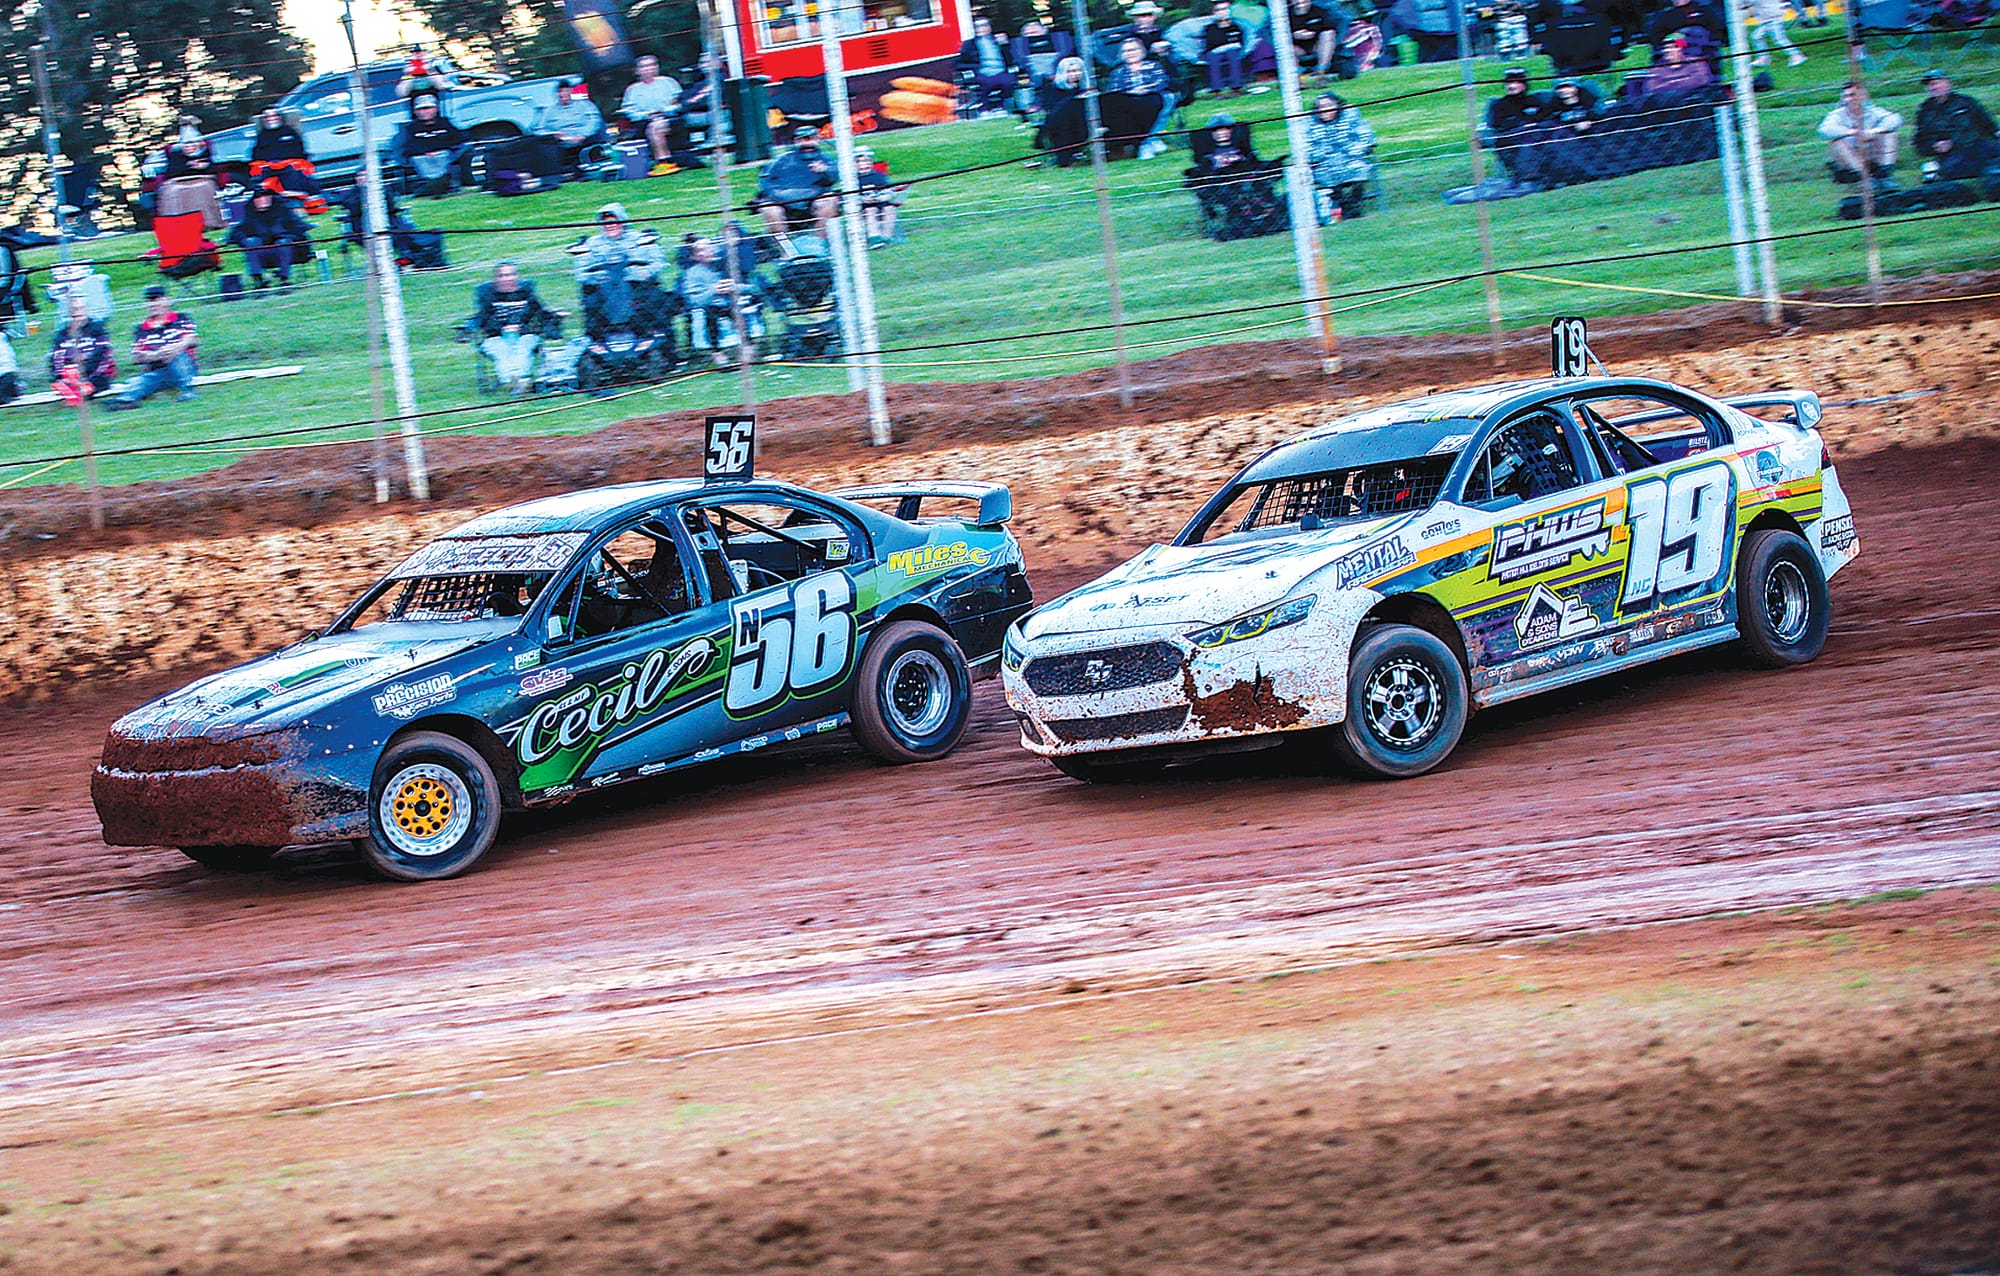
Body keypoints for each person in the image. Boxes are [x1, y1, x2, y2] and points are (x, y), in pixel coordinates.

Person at [573, 203, 674, 343]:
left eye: (614, 222)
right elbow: (580, 273)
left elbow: (659, 262)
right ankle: (598, 340)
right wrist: (596, 277)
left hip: (637, 286)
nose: (610, 226)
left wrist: (643, 272)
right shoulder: (591, 244)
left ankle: (656, 336)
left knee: (654, 298)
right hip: (604, 288)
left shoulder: (641, 239)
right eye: (605, 223)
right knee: (593, 301)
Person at [471, 262, 562, 394]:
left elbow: (542, 313)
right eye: (502, 275)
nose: (507, 279)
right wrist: (502, 329)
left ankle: (521, 379)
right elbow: (482, 318)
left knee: (523, 348)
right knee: (501, 351)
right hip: (496, 337)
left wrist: (554, 318)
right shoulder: (487, 296)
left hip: (526, 335)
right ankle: (510, 380)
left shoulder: (527, 293)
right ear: (496, 279)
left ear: (517, 277)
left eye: (510, 274)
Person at [104, 285, 198, 411]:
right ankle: (126, 400)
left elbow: (192, 338)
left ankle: (187, 389)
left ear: (167, 301)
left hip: (185, 365)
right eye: (150, 301)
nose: (153, 304)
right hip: (158, 368)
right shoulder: (141, 329)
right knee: (142, 379)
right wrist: (157, 355)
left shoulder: (181, 318)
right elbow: (138, 356)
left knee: (177, 357)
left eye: (157, 300)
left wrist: (176, 347)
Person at [677, 235, 762, 364]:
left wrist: (735, 287)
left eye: (710, 247)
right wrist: (713, 290)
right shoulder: (692, 274)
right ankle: (718, 354)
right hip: (709, 307)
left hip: (732, 304)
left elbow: (753, 287)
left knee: (741, 317)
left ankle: (748, 350)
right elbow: (693, 301)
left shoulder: (727, 266)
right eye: (702, 250)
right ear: (694, 256)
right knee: (709, 320)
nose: (709, 251)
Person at [752, 127, 838, 238]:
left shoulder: (826, 160)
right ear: (796, 141)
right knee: (770, 209)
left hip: (813, 201)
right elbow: (765, 181)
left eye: (810, 139)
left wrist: (825, 170)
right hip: (783, 203)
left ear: (817, 140)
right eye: (802, 139)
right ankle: (786, 251)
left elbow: (836, 177)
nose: (806, 143)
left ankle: (820, 244)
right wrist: (778, 196)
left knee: (829, 201)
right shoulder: (780, 160)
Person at [1915, 69, 1999, 181]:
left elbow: (1989, 125)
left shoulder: (1967, 102)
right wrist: (1935, 147)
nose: (1933, 88)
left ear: (1948, 83)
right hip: (1953, 155)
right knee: (1953, 170)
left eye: (1936, 83)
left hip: (1978, 145)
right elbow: (1920, 143)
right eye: (1930, 85)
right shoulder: (1925, 111)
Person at [1104, 36, 1176, 159]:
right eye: (1126, 51)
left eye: (1134, 50)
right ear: (1121, 54)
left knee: (1165, 99)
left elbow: (1161, 82)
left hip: (1153, 97)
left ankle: (1147, 141)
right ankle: (1148, 142)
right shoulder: (1118, 72)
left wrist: (1144, 90)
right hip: (1130, 103)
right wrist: (1133, 92)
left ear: (1142, 51)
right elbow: (1113, 91)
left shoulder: (1153, 65)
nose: (1130, 53)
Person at [1306, 93, 1376, 220]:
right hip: (1323, 162)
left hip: (1349, 157)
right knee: (1325, 175)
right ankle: (1342, 205)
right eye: (1320, 107)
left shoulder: (1351, 117)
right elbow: (1306, 147)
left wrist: (1354, 151)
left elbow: (1366, 136)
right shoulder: (1309, 123)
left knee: (1358, 169)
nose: (1324, 110)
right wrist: (1319, 155)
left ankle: (1354, 204)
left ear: (1337, 106)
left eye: (1328, 105)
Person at [226, 188, 311, 290]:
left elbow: (299, 229)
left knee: (283, 242)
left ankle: (284, 278)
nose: (262, 200)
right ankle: (258, 279)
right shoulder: (250, 215)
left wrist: (283, 235)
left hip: (288, 251)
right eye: (258, 198)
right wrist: (243, 240)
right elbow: (237, 232)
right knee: (251, 242)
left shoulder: (284, 212)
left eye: (265, 197)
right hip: (262, 252)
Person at [1819, 83, 1901, 186]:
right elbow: (1824, 130)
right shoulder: (1837, 115)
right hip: (1850, 160)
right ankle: (1865, 178)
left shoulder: (1874, 111)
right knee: (1836, 142)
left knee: (1890, 135)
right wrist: (1852, 132)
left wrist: (1874, 131)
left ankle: (1885, 174)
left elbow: (1895, 119)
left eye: (1853, 95)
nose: (1849, 99)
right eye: (1846, 96)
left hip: (1872, 154)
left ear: (1863, 97)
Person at [248, 107, 327, 212]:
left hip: (290, 165)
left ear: (279, 117)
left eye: (274, 115)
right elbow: (256, 155)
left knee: (295, 174)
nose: (271, 119)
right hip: (269, 167)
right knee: (258, 179)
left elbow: (299, 151)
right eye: (267, 117)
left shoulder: (289, 132)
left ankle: (302, 204)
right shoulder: (262, 136)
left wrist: (284, 162)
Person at [619, 55, 685, 176]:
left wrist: (664, 111)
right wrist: (646, 115)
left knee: (656, 127)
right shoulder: (632, 90)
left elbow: (679, 103)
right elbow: (628, 111)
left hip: (671, 118)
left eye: (652, 65)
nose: (648, 69)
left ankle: (663, 162)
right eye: (644, 66)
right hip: (645, 121)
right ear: (637, 71)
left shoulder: (669, 82)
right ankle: (665, 161)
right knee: (654, 127)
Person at [1485, 67, 1550, 179]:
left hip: (1540, 138)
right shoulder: (1498, 105)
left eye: (1516, 82)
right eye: (1508, 83)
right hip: (1512, 140)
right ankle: (1529, 176)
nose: (1511, 86)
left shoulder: (1535, 100)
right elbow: (1496, 126)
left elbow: (1546, 118)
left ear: (1524, 85)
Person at [397, 91, 466, 196]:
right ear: (415, 111)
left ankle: (442, 184)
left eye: (429, 108)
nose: (425, 112)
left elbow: (458, 139)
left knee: (455, 153)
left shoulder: (445, 123)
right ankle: (435, 185)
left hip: (445, 155)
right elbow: (405, 147)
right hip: (421, 158)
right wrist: (426, 153)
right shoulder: (409, 128)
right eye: (421, 109)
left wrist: (440, 150)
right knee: (420, 160)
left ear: (436, 109)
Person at [49, 295, 116, 398]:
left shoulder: (97, 329)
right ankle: (70, 387)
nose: (77, 312)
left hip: (93, 372)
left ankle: (78, 390)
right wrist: (60, 375)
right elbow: (55, 356)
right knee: (66, 376)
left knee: (97, 379)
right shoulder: (62, 333)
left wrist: (85, 371)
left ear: (86, 310)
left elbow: (104, 354)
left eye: (80, 308)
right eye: (74, 310)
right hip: (70, 373)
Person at [956, 17, 1019, 117]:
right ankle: (984, 109)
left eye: (984, 25)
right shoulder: (969, 44)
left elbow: (1011, 59)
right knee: (984, 83)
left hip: (1000, 71)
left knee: (1008, 80)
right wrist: (975, 69)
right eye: (977, 26)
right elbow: (959, 63)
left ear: (989, 27)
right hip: (982, 72)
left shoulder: (998, 40)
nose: (981, 28)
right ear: (974, 29)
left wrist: (1004, 45)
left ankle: (1000, 107)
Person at [1035, 56, 1091, 167]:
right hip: (1061, 125)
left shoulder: (1087, 88)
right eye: (1070, 71)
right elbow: (1052, 111)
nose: (1075, 74)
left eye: (1078, 70)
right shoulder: (1054, 90)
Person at [543, 77, 607, 171]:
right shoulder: (549, 111)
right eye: (560, 92)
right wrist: (554, 135)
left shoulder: (585, 105)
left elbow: (594, 121)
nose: (562, 94)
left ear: (570, 91)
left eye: (565, 91)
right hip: (562, 142)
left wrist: (583, 135)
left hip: (585, 138)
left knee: (596, 135)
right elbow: (541, 129)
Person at [1011, 18, 1075, 93]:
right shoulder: (1019, 46)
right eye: (1029, 33)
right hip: (1032, 79)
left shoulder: (1059, 40)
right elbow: (1020, 64)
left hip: (1058, 73)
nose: (1032, 31)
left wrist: (1056, 73)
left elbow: (1066, 56)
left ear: (1044, 30)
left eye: (1035, 31)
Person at [1202, 1, 1249, 96]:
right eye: (1218, 10)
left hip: (1233, 49)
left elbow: (1239, 40)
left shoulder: (1236, 26)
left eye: (1224, 9)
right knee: (1213, 61)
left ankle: (1236, 88)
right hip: (1215, 51)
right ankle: (1217, 90)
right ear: (1214, 13)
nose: (1222, 12)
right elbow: (1213, 42)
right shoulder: (1210, 28)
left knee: (1234, 57)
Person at [1289, 0, 1345, 79]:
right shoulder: (1283, 15)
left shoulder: (1322, 9)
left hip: (1318, 45)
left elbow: (1335, 27)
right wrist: (1293, 36)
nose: (1300, 2)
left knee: (1328, 34)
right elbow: (1271, 35)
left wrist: (1314, 33)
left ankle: (1321, 71)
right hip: (1297, 47)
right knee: (1285, 45)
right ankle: (1298, 76)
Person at [1742, 0, 1806, 68]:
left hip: (1773, 18)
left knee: (1779, 39)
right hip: (1767, 19)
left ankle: (1797, 55)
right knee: (1756, 37)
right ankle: (1763, 58)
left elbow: (1745, 3)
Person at [1641, 36, 1712, 98]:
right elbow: (1651, 88)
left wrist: (1670, 84)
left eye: (1673, 47)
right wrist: (1681, 83)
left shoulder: (1696, 62)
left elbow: (1702, 79)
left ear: (1681, 49)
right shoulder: (1656, 69)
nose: (1668, 51)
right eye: (1666, 48)